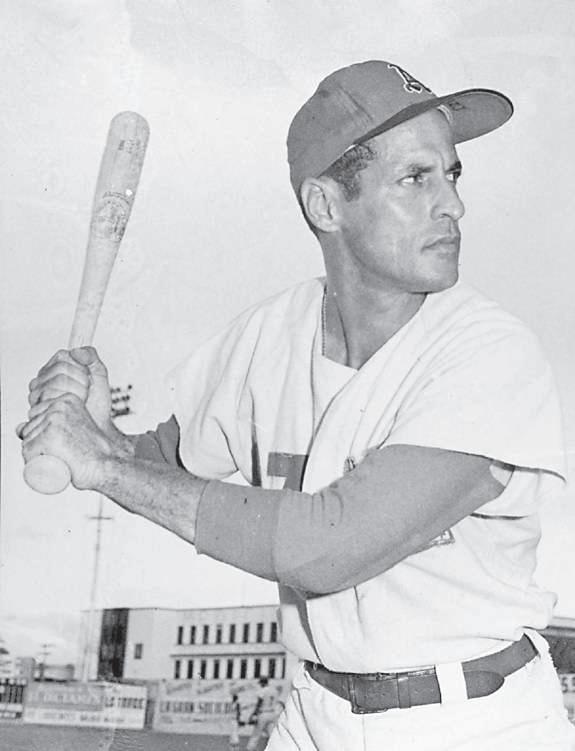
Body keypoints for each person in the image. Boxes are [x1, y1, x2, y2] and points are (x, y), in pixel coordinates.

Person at [20, 60, 575, 749]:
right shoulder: (268, 337)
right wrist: (97, 429)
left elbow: (327, 548)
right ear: (325, 206)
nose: (452, 205)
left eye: (451, 175)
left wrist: (103, 465)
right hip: (314, 712)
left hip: (472, 719)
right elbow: (160, 466)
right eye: (415, 178)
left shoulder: (486, 352)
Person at [246, 678, 280, 751]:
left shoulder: (263, 690)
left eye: (261, 683)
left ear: (263, 683)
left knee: (256, 734)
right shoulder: (274, 691)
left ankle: (250, 749)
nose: (260, 685)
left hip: (263, 713)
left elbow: (259, 702)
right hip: (272, 714)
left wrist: (254, 714)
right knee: (272, 735)